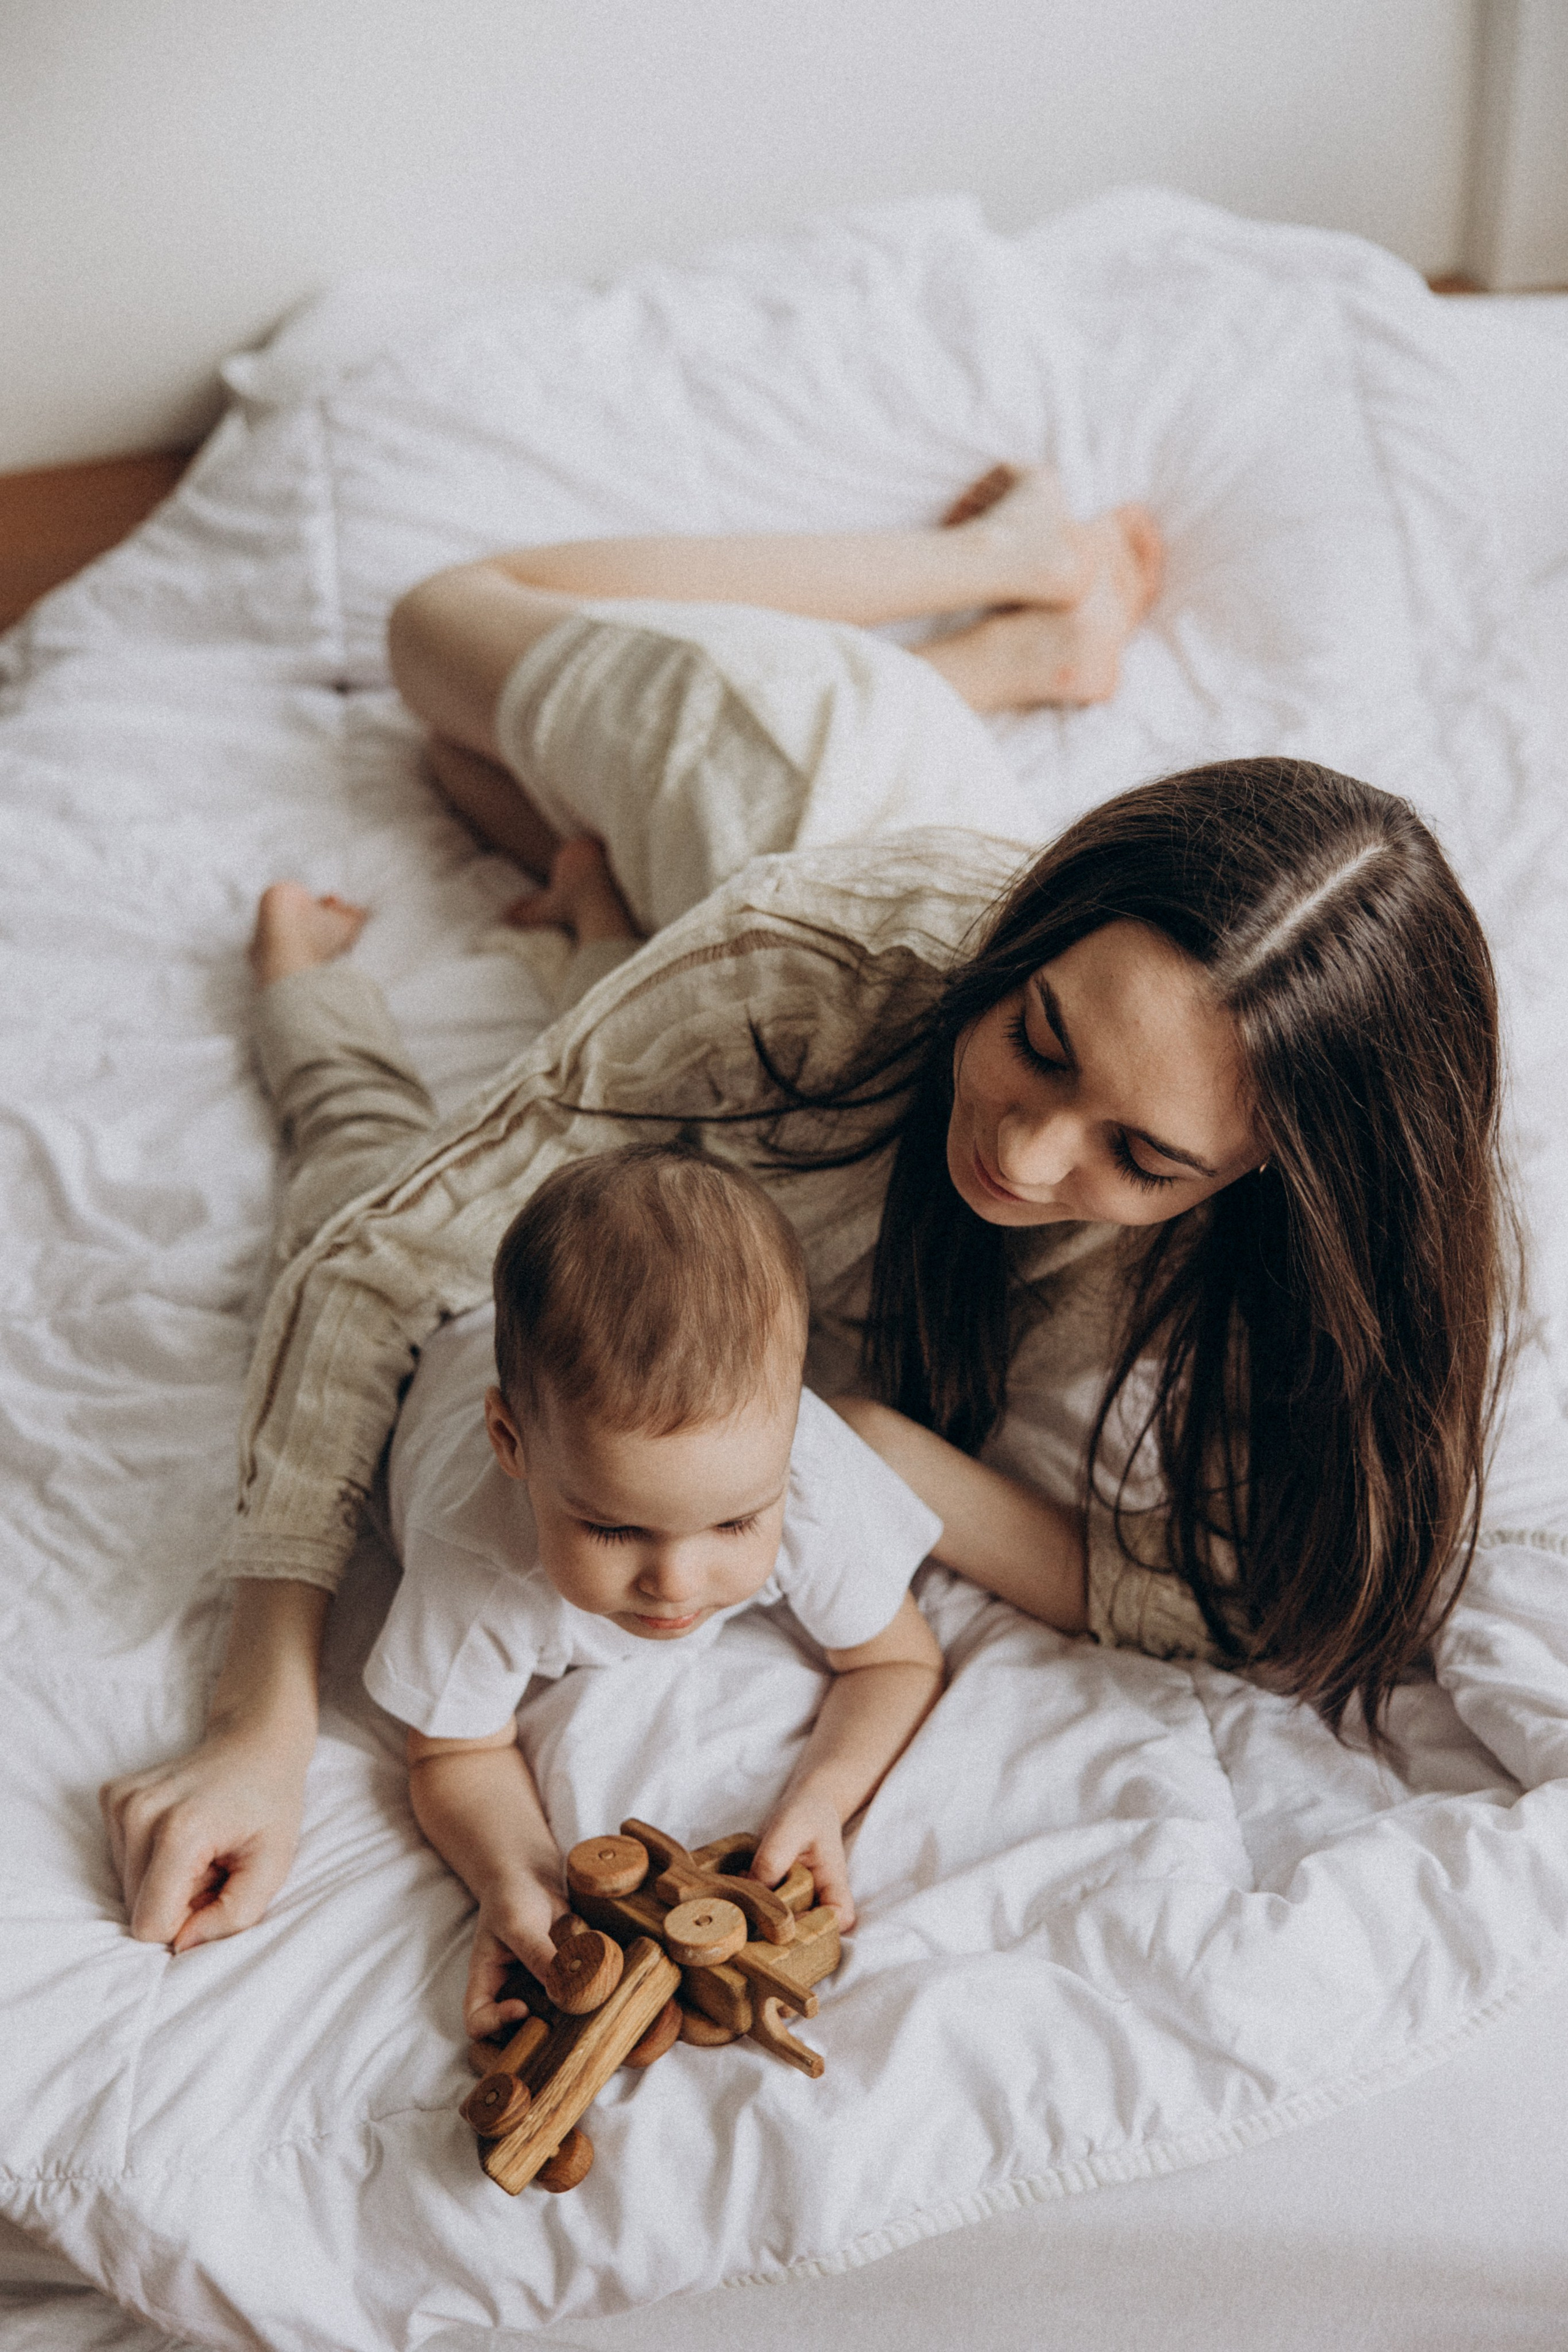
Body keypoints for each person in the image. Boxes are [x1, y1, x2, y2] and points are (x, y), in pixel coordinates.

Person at [102, 464, 1520, 1961]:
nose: (1030, 1165)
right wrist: (256, 1721)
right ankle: (993, 563)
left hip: (719, 1001)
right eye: (1038, 1041)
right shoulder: (811, 961)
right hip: (782, 777)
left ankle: (913, 722)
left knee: (509, 818)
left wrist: (879, 1451)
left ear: (1252, 1180)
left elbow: (1236, 1599)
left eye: (1141, 1158)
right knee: (433, 635)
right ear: (1027, 936)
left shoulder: (1308, 1232)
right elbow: (386, 1251)